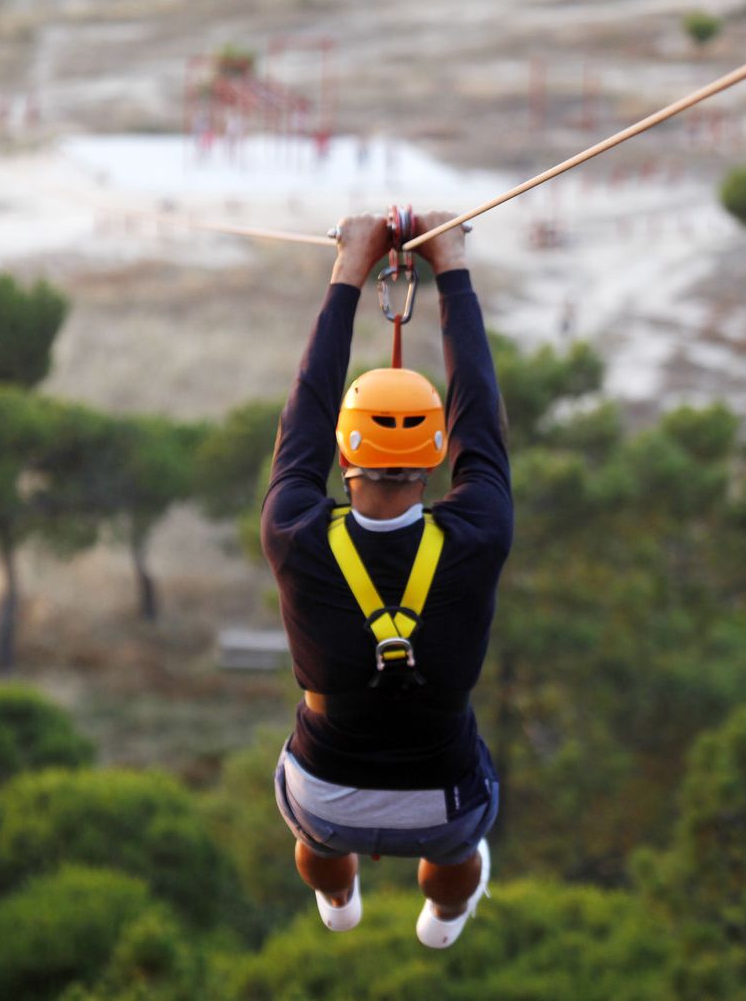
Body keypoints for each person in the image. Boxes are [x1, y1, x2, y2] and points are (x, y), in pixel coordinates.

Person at [261, 210, 512, 948]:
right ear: (436, 457)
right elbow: (481, 418)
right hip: (444, 799)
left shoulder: (295, 532)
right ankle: (445, 914)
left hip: (325, 796)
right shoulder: (478, 535)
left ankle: (336, 895)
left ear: (344, 457)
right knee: (459, 849)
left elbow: (306, 407)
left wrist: (350, 269)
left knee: (320, 833)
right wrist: (451, 267)